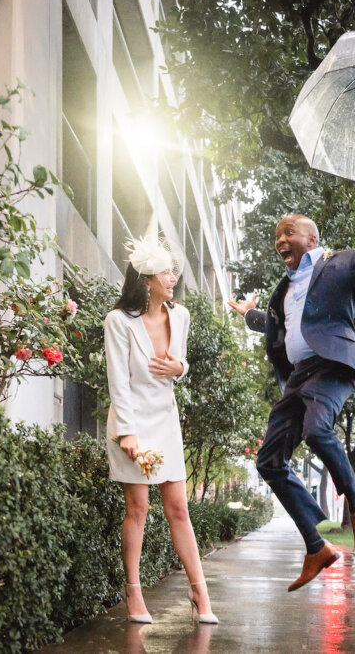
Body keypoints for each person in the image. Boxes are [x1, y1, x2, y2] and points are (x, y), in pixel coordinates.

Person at [228, 185, 355, 590]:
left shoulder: (343, 263)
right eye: (277, 235)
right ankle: (317, 546)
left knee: (316, 430)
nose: (280, 239)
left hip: (332, 365)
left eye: (288, 231)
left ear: (311, 239)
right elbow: (285, 325)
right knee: (269, 461)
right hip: (298, 376)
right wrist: (250, 315)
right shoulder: (284, 288)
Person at [105, 234, 218, 625]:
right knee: (137, 509)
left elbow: (179, 363)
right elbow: (118, 382)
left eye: (173, 272)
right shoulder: (118, 321)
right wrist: (127, 433)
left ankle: (200, 592)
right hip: (131, 420)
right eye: (166, 272)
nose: (173, 278)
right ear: (147, 278)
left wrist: (180, 368)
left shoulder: (180, 316)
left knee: (179, 509)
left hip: (165, 419)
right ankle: (133, 593)